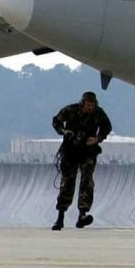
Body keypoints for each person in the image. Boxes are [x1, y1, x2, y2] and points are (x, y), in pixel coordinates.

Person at [51, 91, 112, 231]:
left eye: (92, 105)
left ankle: (82, 215)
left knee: (87, 181)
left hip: (88, 152)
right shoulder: (71, 110)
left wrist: (97, 139)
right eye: (88, 104)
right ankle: (60, 217)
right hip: (71, 150)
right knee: (67, 182)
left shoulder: (98, 113)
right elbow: (56, 120)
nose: (90, 107)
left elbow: (107, 127)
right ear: (83, 103)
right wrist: (63, 131)